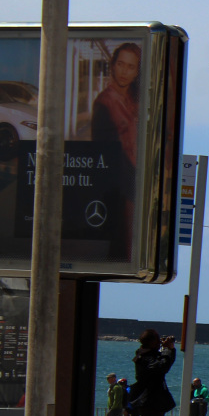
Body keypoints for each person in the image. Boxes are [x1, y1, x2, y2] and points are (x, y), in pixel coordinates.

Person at [90, 42, 141, 260]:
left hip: (136, 186)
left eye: (130, 67)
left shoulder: (136, 98)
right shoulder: (105, 102)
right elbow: (102, 155)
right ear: (113, 65)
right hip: (123, 190)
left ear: (137, 71)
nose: (124, 71)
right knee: (123, 247)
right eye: (121, 64)